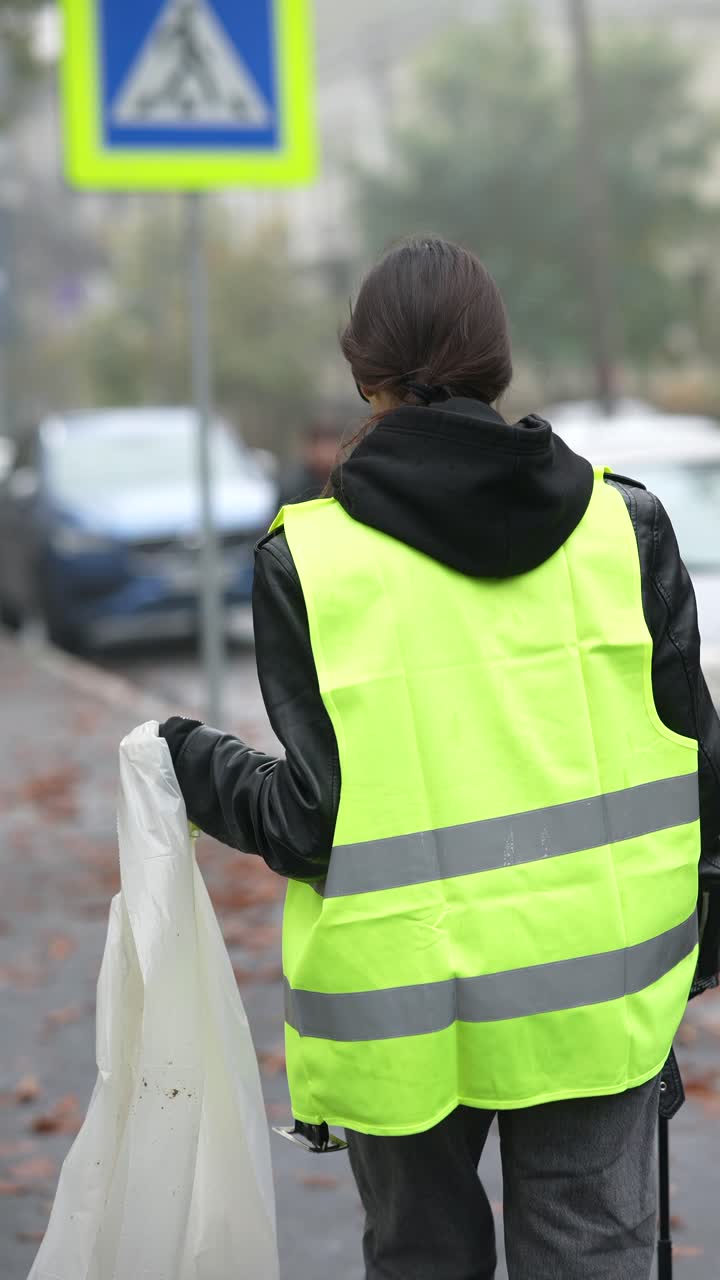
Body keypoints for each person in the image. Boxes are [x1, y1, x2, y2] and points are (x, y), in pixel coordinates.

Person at [160, 237, 720, 1280]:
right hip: (596, 990)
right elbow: (699, 761)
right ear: (497, 364)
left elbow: (307, 820)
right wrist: (702, 939)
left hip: (404, 1001)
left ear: (365, 377)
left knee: (424, 1257)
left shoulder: (310, 563)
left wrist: (189, 764)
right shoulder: (625, 524)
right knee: (593, 1256)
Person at [278, 419, 345, 507]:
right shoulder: (293, 487)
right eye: (321, 447)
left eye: (330, 447)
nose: (324, 454)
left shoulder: (346, 485)